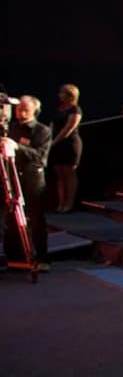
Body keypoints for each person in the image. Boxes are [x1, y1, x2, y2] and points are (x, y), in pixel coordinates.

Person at [1, 95, 53, 268]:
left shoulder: (42, 131)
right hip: (12, 178)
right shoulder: (12, 128)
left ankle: (42, 259)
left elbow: (40, 158)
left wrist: (18, 147)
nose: (21, 113)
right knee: (11, 220)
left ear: (34, 112)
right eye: (19, 110)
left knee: (36, 221)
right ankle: (15, 258)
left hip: (33, 181)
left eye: (26, 110)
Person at [48, 84, 82, 212]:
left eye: (62, 93)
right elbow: (52, 125)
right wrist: (49, 140)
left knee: (69, 173)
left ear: (70, 95)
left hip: (69, 144)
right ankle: (61, 203)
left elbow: (69, 128)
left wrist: (54, 141)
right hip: (56, 145)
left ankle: (69, 204)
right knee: (60, 174)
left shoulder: (75, 109)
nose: (59, 95)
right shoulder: (58, 109)